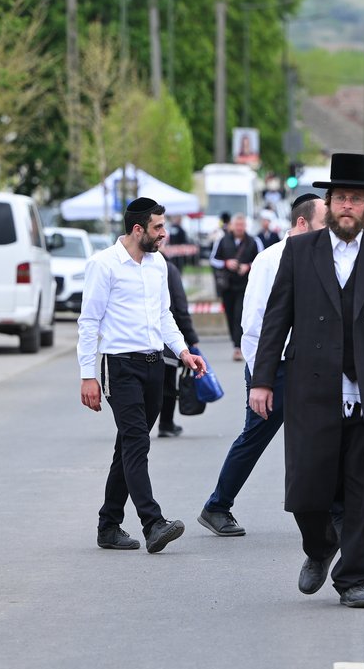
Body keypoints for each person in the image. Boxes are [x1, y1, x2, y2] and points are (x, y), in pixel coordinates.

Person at [250, 152, 364, 608]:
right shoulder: (298, 251)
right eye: (341, 198)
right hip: (312, 389)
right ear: (328, 204)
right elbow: (277, 318)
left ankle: (353, 580)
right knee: (306, 489)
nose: (348, 205)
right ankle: (320, 546)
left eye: (356, 198)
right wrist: (262, 380)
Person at [79, 197, 207, 554]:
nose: (164, 233)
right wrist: (87, 375)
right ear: (138, 229)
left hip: (155, 366)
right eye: (158, 227)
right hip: (120, 367)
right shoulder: (103, 264)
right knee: (137, 442)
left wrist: (183, 351)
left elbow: (164, 315)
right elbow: (88, 322)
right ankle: (153, 523)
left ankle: (108, 525)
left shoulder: (158, 264)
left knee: (127, 446)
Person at [197, 192, 326, 537]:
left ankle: (328, 512)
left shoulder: (323, 258)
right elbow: (253, 323)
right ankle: (217, 506)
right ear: (302, 223)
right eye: (324, 223)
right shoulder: (270, 260)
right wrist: (260, 379)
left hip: (311, 366)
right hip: (276, 368)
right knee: (254, 438)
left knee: (321, 438)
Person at [157, 245, 199, 438]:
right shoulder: (169, 269)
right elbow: (181, 307)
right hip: (167, 342)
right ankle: (166, 423)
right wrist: (191, 339)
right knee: (167, 384)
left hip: (141, 344)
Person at [209, 213, 261, 361]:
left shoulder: (254, 241)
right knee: (230, 315)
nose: (239, 228)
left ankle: (238, 347)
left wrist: (248, 266)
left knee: (240, 315)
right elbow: (213, 260)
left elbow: (261, 260)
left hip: (246, 286)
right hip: (227, 285)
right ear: (232, 226)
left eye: (242, 225)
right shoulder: (222, 240)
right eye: (237, 225)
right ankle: (235, 342)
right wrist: (226, 263)